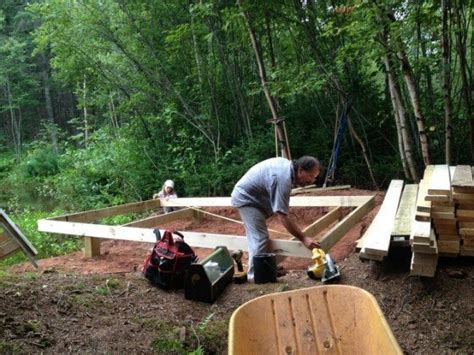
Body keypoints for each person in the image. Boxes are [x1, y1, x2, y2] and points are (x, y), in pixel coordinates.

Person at [231, 156, 321, 280]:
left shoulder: (287, 169)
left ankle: (266, 267)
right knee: (259, 238)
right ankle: (256, 276)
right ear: (300, 170)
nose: (312, 181)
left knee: (258, 236)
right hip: (247, 199)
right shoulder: (283, 179)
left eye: (314, 177)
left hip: (257, 199)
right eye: (310, 176)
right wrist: (303, 238)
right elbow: (282, 215)